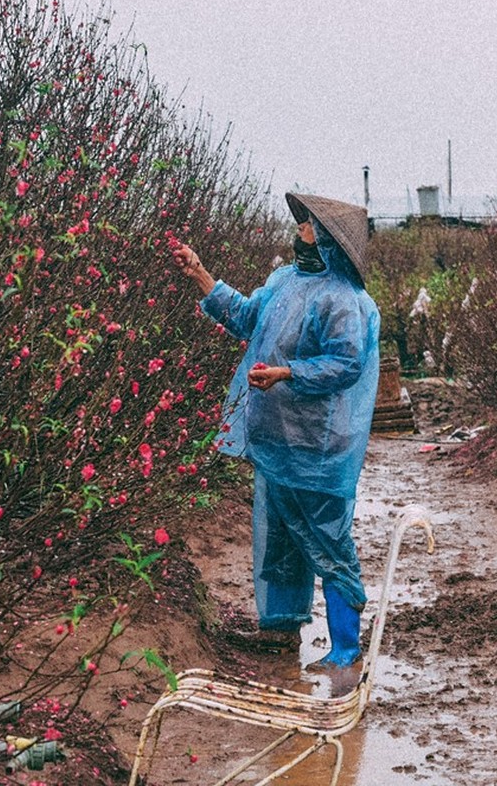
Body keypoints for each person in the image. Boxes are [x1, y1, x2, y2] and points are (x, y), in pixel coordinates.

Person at [172, 192, 380, 673]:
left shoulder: (346, 301)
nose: (299, 231)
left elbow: (345, 365)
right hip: (274, 442)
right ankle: (281, 630)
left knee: (329, 541)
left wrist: (287, 374)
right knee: (279, 538)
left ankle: (347, 646)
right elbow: (248, 319)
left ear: (326, 240)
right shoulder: (283, 281)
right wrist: (200, 273)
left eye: (307, 226)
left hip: (317, 449)